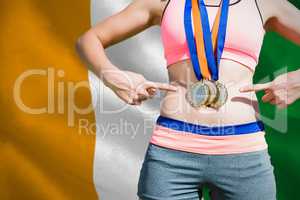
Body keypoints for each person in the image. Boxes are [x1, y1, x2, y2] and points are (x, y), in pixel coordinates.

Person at [76, 0, 300, 199]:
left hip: (244, 154)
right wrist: (115, 77)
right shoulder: (163, 2)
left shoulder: (264, 3)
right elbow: (88, 40)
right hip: (171, 154)